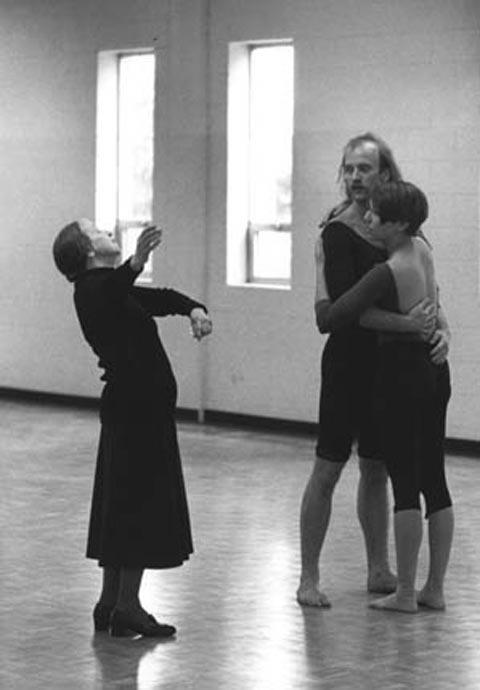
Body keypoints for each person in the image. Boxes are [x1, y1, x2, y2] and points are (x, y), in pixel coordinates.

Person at [297, 133, 449, 608]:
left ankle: (379, 568)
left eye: (366, 168)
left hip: (394, 368)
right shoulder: (337, 232)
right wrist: (409, 325)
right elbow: (344, 313)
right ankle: (308, 576)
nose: (357, 177)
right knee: (328, 468)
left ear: (385, 173)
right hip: (349, 363)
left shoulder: (403, 231)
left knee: (377, 469)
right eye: (350, 169)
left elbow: (431, 293)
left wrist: (441, 331)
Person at [52, 219, 212, 637]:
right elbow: (114, 289)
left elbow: (158, 298)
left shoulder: (110, 287)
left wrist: (194, 307)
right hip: (136, 407)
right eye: (97, 230)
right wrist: (137, 261)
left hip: (139, 407)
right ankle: (127, 606)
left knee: (122, 499)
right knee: (136, 502)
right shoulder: (90, 290)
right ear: (88, 250)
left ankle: (111, 602)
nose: (106, 229)